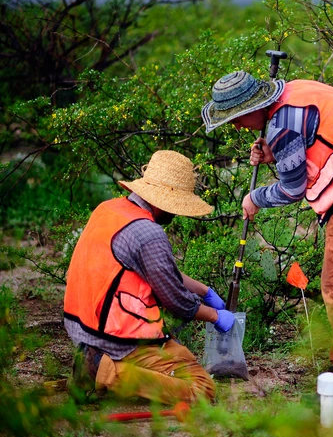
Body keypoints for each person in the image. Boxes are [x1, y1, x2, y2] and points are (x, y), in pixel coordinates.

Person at [202, 71, 333, 395]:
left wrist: (254, 198)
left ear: (251, 109)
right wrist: (275, 152)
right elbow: (313, 139)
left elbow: (293, 189)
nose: (237, 127)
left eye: (236, 120)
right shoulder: (292, 94)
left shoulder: (281, 126)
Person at [63, 150, 236, 405]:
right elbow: (176, 301)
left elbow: (161, 271)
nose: (176, 214)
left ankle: (96, 361)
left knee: (180, 355)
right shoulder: (148, 232)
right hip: (116, 338)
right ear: (163, 200)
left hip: (82, 326)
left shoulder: (109, 210)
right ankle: (103, 370)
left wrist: (204, 290)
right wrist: (214, 316)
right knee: (203, 388)